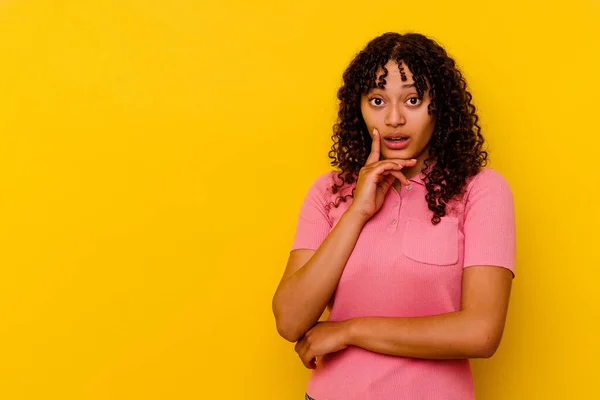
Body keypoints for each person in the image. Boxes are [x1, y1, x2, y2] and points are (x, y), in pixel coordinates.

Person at [271, 32, 516, 400]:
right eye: (377, 100)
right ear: (360, 107)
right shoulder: (330, 192)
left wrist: (350, 331)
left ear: (440, 107)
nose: (394, 118)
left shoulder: (480, 190)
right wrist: (357, 212)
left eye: (413, 100)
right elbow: (290, 320)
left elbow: (481, 332)